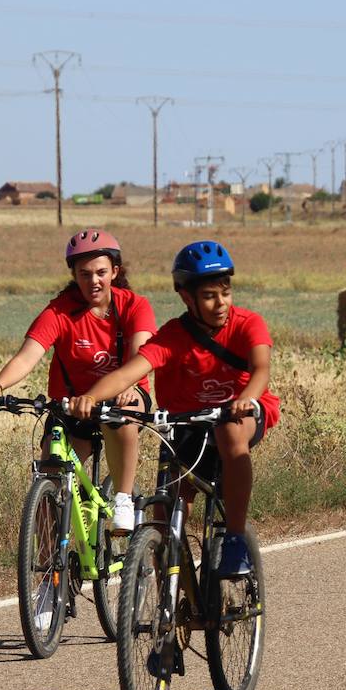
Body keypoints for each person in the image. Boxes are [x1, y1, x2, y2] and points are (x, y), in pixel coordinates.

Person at [68, 240, 279, 577]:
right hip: (186, 424)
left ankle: (236, 537)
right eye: (210, 296)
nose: (221, 303)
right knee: (165, 519)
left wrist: (246, 399)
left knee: (229, 432)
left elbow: (261, 369)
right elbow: (128, 372)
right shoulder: (174, 336)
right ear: (186, 297)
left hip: (240, 415)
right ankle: (173, 607)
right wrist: (91, 398)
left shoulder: (247, 323)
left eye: (225, 292)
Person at [0, 229, 156, 532]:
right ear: (73, 274)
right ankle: (48, 572)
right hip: (71, 406)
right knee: (50, 477)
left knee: (123, 416)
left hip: (124, 395)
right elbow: (26, 356)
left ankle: (123, 498)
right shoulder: (59, 311)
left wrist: (127, 385)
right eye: (84, 274)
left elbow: (141, 358)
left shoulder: (134, 306)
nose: (93, 281)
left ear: (115, 271)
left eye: (101, 272)